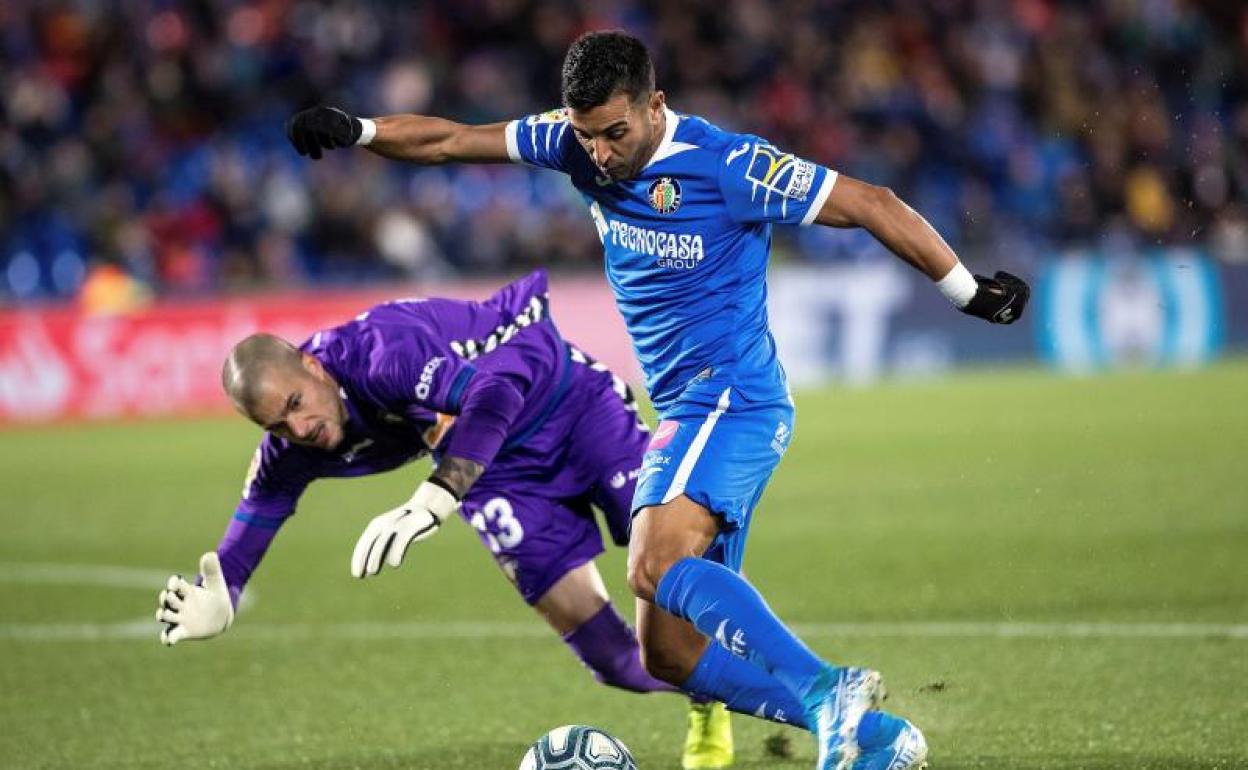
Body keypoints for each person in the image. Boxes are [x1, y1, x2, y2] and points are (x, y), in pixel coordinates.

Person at [285, 30, 1030, 770]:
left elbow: (871, 201)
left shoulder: (730, 165)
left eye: (615, 132)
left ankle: (829, 691)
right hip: (683, 409)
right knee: (669, 652)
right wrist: (362, 130)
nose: (600, 154)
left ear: (655, 105)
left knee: (650, 565)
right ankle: (878, 740)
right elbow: (448, 141)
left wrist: (967, 291)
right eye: (587, 136)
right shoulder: (573, 144)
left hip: (732, 399)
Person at [155, 271, 738, 766]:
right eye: (276, 425)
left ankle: (796, 688)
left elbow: (495, 397)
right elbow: (257, 514)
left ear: (313, 366)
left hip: (567, 405)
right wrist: (225, 592)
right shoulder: (292, 448)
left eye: (296, 405)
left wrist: (435, 497)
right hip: (494, 472)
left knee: (664, 571)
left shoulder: (382, 354)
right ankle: (713, 691)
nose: (298, 429)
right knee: (616, 662)